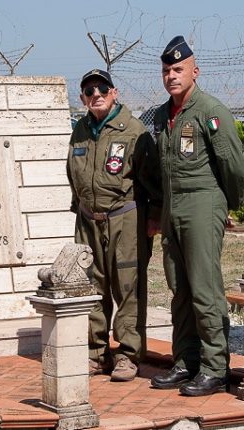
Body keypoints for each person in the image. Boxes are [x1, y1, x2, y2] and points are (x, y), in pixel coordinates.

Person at [149, 36, 244, 396]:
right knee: (179, 289)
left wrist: (225, 206)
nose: (171, 76)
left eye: (178, 69)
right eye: (166, 71)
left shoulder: (211, 111)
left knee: (205, 289)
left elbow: (234, 166)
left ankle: (214, 367)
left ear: (195, 70)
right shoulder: (162, 115)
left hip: (202, 202)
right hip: (173, 207)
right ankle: (187, 360)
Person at [67, 68, 162, 382]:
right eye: (89, 90)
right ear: (82, 97)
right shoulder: (79, 130)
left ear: (114, 93)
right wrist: (78, 207)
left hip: (125, 220)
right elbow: (74, 173)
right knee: (91, 288)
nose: (96, 95)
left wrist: (153, 218)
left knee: (128, 288)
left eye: (102, 89)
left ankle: (127, 355)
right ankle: (96, 353)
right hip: (88, 221)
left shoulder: (133, 131)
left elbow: (151, 180)